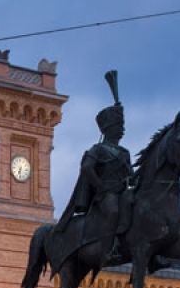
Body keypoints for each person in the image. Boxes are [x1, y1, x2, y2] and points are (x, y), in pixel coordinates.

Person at [56, 69, 133, 267]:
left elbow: (131, 176)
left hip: (121, 192)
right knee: (113, 211)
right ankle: (108, 250)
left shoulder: (124, 152)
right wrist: (100, 187)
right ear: (108, 128)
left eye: (122, 125)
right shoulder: (97, 150)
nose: (121, 129)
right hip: (104, 196)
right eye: (118, 125)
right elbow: (87, 169)